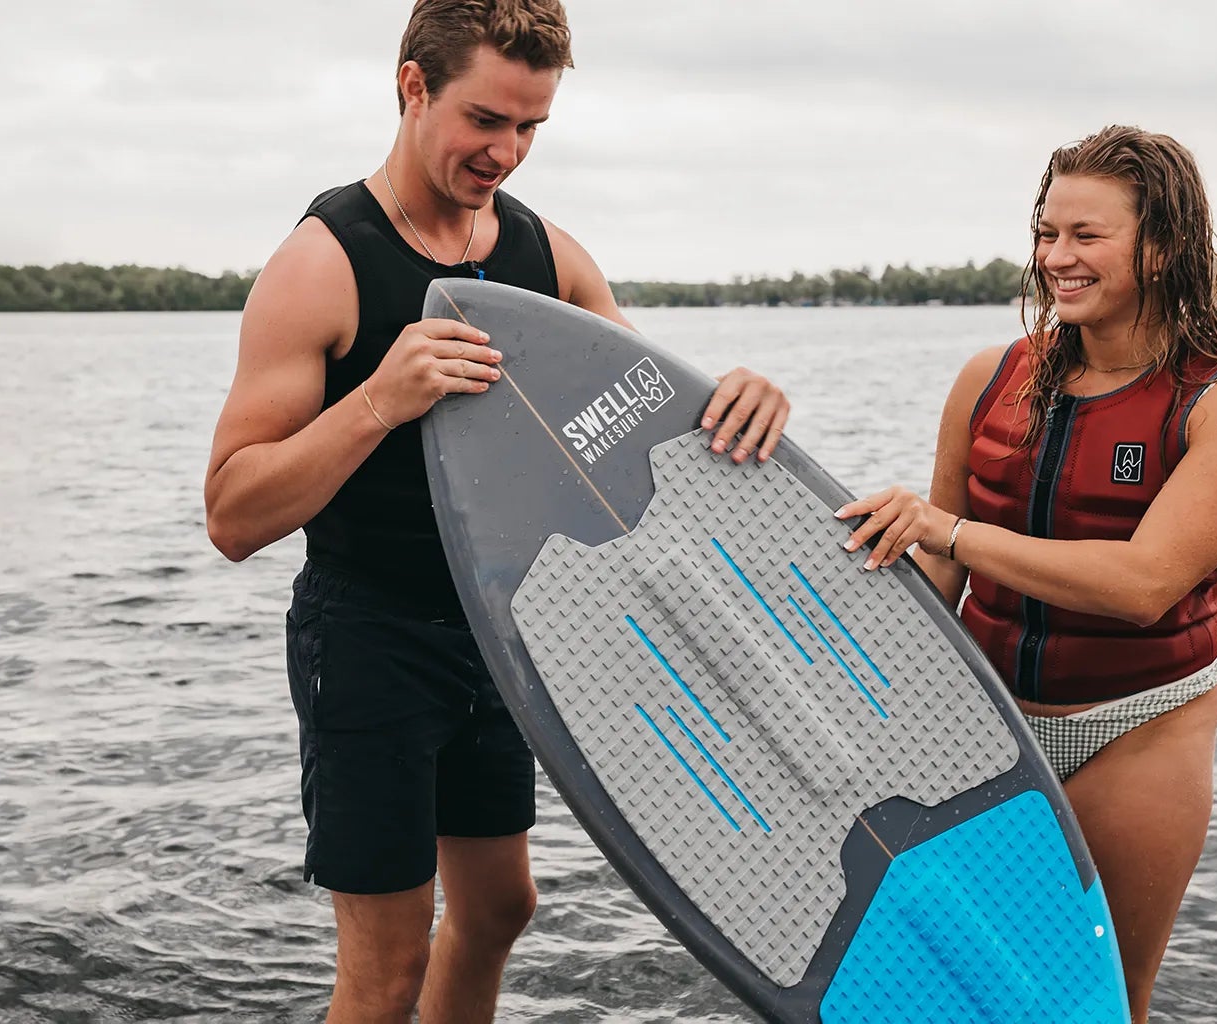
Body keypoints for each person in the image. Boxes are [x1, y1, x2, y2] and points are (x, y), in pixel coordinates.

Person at [201, 3, 790, 1021]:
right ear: (411, 87)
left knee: (501, 904)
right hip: (369, 633)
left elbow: (652, 430)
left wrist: (737, 401)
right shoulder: (323, 263)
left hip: (506, 633)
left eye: (530, 128)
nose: (506, 152)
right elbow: (232, 513)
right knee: (385, 965)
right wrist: (379, 399)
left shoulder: (543, 256)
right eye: (486, 120)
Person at [835, 125, 1217, 1023]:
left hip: (1137, 729)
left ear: (1161, 247)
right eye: (1048, 233)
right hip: (980, 724)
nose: (1056, 257)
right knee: (957, 994)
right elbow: (937, 568)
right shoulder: (989, 376)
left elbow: (1143, 584)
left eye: (1087, 236)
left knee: (1100, 1004)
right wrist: (868, 689)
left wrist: (951, 531)